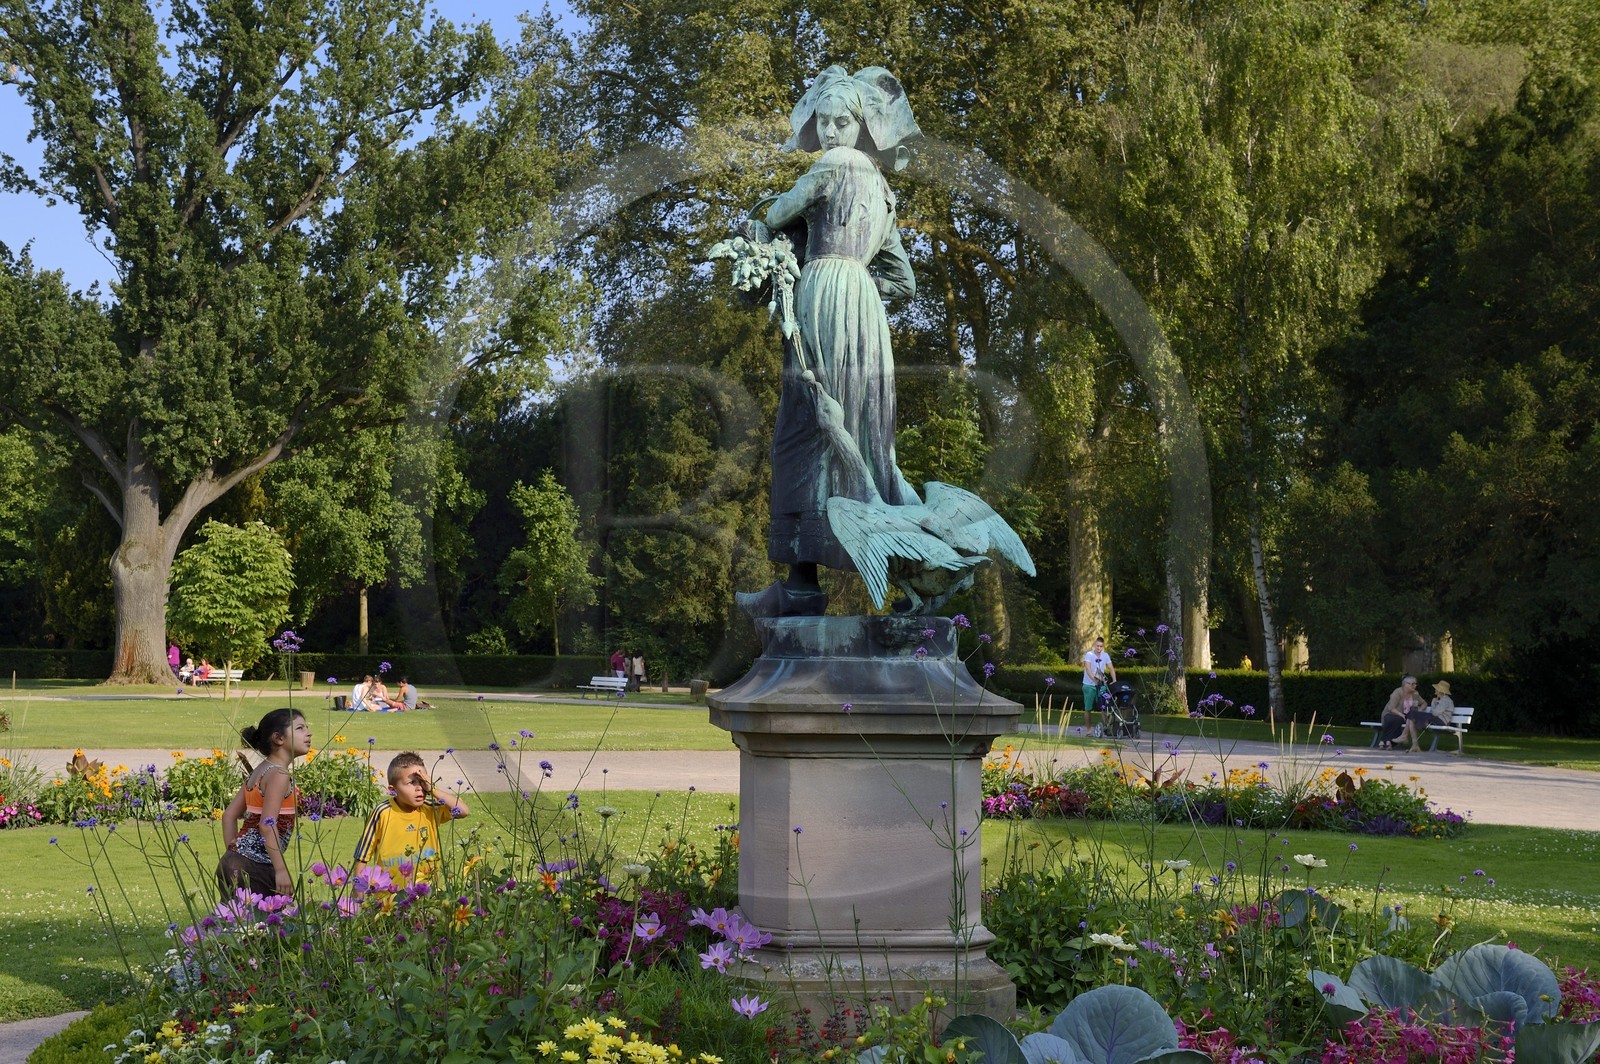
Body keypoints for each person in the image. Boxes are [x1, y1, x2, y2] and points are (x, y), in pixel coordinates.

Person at [735, 65, 923, 618]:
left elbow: (774, 215)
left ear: (857, 125)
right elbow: (905, 283)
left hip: (821, 294)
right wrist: (861, 283)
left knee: (804, 429)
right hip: (864, 311)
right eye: (827, 122)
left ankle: (799, 584)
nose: (834, 130)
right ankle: (909, 575)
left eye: (842, 121)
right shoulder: (885, 193)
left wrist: (779, 249)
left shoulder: (830, 166)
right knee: (867, 438)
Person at [217, 708, 311, 898]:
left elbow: (229, 816)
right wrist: (281, 870)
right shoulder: (279, 775)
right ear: (278, 738)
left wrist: (235, 852)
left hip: (231, 862)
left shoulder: (260, 771)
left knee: (237, 924)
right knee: (269, 924)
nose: (309, 733)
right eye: (300, 728)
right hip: (256, 867)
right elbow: (267, 825)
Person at [351, 752, 469, 889]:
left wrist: (433, 789)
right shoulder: (382, 812)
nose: (419, 788)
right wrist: (358, 898)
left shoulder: (430, 809)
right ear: (392, 790)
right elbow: (362, 856)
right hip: (389, 896)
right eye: (411, 783)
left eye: (422, 782)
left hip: (427, 896)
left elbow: (463, 811)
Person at [1403, 680, 1456, 752]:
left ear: (1441, 691)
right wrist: (1434, 703)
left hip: (1441, 722)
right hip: (1435, 720)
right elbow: (1433, 713)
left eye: (1436, 688)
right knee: (1411, 717)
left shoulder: (1446, 700)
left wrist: (1433, 703)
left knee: (1413, 714)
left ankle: (1405, 736)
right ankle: (1414, 745)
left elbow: (1435, 713)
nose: (1435, 689)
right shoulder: (1440, 700)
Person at [1377, 675, 1426, 750]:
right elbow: (1391, 708)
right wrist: (1402, 715)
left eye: (1415, 684)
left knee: (1399, 720)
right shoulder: (1398, 692)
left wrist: (1420, 709)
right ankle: (1388, 742)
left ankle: (1384, 741)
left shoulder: (1415, 694)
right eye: (1413, 684)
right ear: (1406, 684)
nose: (1415, 686)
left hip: (1405, 717)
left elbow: (1424, 703)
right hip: (1390, 713)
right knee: (1393, 720)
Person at [1082, 637, 1116, 714]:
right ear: (1094, 645)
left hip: (1101, 685)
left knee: (1103, 707)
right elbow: (1088, 669)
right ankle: (1088, 726)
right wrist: (1094, 680)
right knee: (1088, 708)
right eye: (1097, 646)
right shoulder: (1089, 654)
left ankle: (1105, 725)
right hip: (1089, 685)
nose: (1099, 648)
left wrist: (1114, 680)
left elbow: (1111, 668)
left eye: (1101, 646)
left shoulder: (1105, 655)